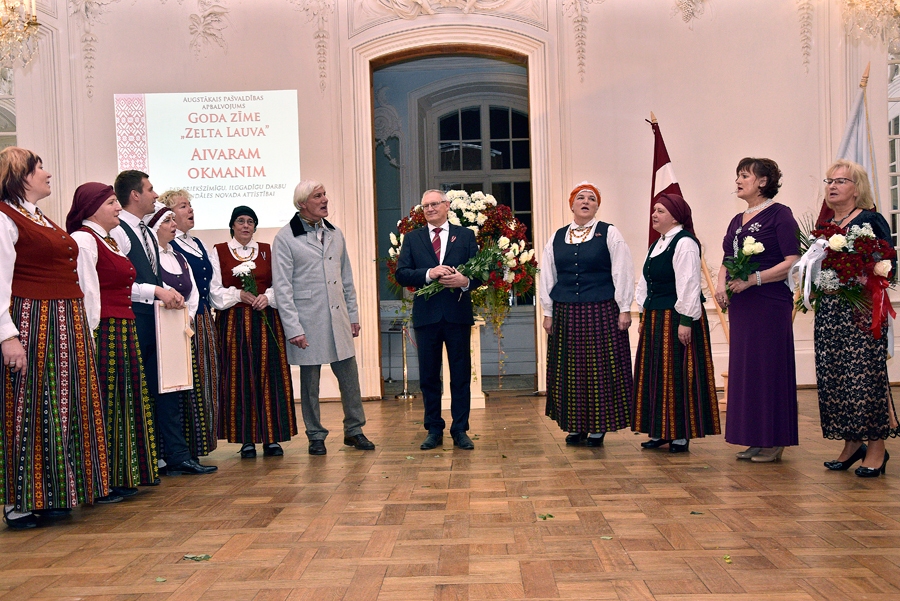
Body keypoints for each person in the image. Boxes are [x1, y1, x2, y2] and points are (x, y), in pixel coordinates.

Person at [0, 148, 109, 529]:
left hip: (64, 319)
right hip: (34, 319)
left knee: (63, 407)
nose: (47, 173)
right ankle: (21, 500)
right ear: (21, 176)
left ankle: (54, 493)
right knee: (30, 407)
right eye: (39, 168)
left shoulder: (38, 217)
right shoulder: (4, 218)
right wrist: (7, 337)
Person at [111, 170, 216, 475]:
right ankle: (149, 459)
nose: (156, 195)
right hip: (136, 321)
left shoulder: (144, 232)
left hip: (161, 322)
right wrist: (155, 292)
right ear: (135, 194)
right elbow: (120, 282)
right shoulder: (120, 232)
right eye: (151, 189)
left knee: (168, 389)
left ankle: (175, 455)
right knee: (141, 392)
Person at [68, 182, 158, 500]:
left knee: (123, 403)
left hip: (123, 328)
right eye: (111, 203)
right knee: (106, 405)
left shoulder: (110, 240)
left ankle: (122, 475)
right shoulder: (84, 240)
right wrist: (89, 337)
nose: (118, 207)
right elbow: (87, 292)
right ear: (92, 208)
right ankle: (100, 483)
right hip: (104, 330)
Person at [272, 181, 375, 455]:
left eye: (325, 194)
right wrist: (293, 328)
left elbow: (347, 279)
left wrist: (353, 315)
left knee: (349, 379)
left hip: (338, 316)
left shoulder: (335, 233)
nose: (325, 199)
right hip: (307, 320)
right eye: (318, 196)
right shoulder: (285, 238)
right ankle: (315, 435)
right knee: (310, 384)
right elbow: (282, 288)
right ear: (302, 203)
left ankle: (354, 430)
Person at [815, 159, 897, 477]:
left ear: (857, 188)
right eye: (829, 180)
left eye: (841, 181)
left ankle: (876, 448)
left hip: (862, 311)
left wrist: (860, 272)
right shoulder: (824, 227)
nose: (833, 186)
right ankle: (851, 445)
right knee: (836, 380)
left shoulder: (871, 220)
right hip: (830, 311)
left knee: (865, 380)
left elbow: (888, 263)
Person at [716, 157, 799, 463]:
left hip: (769, 302)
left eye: (745, 175)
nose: (738, 180)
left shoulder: (780, 214)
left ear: (763, 182)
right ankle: (753, 437)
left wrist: (754, 280)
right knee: (747, 371)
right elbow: (727, 257)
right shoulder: (736, 220)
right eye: (737, 175)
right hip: (743, 305)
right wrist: (721, 285)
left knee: (768, 369)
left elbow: (792, 259)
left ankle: (774, 439)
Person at [540, 182, 634, 448]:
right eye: (580, 198)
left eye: (591, 199)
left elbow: (622, 270)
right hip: (566, 310)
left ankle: (597, 426)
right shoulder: (557, 237)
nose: (585, 201)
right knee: (571, 369)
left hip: (601, 309)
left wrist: (624, 307)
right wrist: (548, 312)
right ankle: (575, 424)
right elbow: (548, 275)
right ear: (571, 204)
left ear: (597, 206)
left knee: (599, 368)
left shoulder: (610, 233)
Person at [632, 193, 720, 452]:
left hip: (677, 317)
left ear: (674, 216)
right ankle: (661, 430)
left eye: (659, 211)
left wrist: (685, 320)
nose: (654, 215)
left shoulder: (685, 243)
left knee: (678, 374)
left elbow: (689, 283)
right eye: (654, 210)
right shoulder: (657, 244)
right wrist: (643, 313)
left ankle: (681, 432)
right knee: (657, 375)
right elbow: (645, 282)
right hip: (656, 316)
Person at [395, 190, 481, 451]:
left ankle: (460, 429)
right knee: (429, 377)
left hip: (457, 315)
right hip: (427, 316)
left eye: (435, 204)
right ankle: (433, 428)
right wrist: (429, 273)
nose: (430, 209)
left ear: (447, 205)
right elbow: (402, 274)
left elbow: (480, 272)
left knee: (460, 375)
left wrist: (465, 281)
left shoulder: (465, 236)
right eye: (425, 206)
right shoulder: (412, 238)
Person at [209, 206, 297, 458]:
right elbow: (214, 290)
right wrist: (239, 294)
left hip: (265, 320)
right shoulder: (219, 251)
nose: (246, 226)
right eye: (240, 221)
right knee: (239, 377)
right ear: (232, 225)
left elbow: (280, 283)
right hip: (234, 323)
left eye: (250, 222)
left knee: (270, 376)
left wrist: (266, 298)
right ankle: (245, 439)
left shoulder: (268, 251)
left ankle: (272, 437)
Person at [162, 190, 218, 459]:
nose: (190, 210)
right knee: (188, 380)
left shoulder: (197, 243)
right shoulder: (171, 248)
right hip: (183, 320)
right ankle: (185, 447)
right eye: (183, 206)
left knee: (206, 378)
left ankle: (201, 442)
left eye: (190, 205)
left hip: (204, 316)